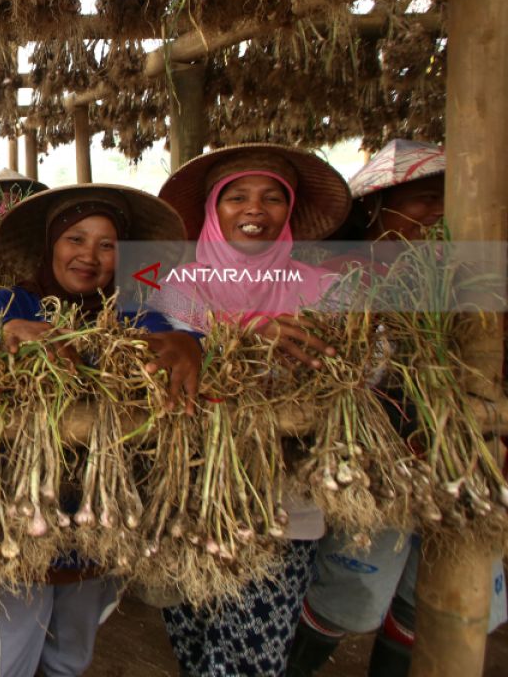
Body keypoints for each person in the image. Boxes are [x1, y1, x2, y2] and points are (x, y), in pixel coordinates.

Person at [0, 184, 202, 677]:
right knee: (5, 658)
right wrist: (1, 339)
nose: (89, 255)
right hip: (15, 523)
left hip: (103, 525)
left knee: (70, 657)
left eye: (107, 245)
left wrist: (190, 344)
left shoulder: (134, 316)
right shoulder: (7, 304)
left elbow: (177, 343)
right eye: (75, 238)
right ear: (51, 246)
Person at [286, 140, 507, 677]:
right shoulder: (338, 278)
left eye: (449, 202)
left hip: (465, 465)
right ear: (376, 208)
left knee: (428, 598)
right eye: (425, 199)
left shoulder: (476, 279)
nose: (438, 215)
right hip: (372, 467)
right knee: (352, 593)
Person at [150, 144, 353, 676]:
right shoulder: (180, 287)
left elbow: (359, 373)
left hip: (284, 507)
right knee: (194, 645)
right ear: (214, 212)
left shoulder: (324, 290)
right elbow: (162, 359)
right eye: (236, 197)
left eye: (272, 198)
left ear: (290, 211)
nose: (254, 210)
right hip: (189, 492)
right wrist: (243, 334)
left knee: (247, 660)